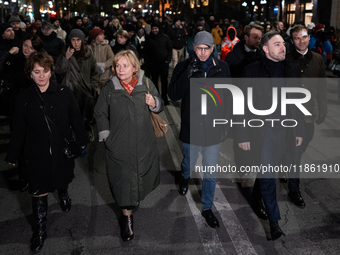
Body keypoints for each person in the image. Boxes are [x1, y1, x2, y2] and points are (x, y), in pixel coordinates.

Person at [4, 52, 87, 253]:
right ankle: (40, 230)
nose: (41, 75)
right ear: (30, 74)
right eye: (36, 72)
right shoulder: (23, 98)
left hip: (61, 150)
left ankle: (63, 193)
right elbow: (18, 129)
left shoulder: (64, 92)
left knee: (62, 178)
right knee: (37, 190)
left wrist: (82, 141)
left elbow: (76, 118)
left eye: (45, 71)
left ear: (51, 72)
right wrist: (13, 154)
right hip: (35, 154)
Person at [234, 31, 304, 240]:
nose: (283, 47)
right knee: (268, 176)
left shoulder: (291, 70)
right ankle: (274, 223)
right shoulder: (251, 72)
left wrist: (298, 130)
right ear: (265, 49)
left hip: (285, 131)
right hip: (261, 133)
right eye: (277, 44)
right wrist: (242, 135)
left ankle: (256, 198)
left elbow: (297, 103)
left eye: (283, 43)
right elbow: (240, 107)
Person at [94, 50, 164, 241]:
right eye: (117, 66)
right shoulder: (110, 88)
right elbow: (100, 112)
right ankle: (127, 219)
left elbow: (160, 104)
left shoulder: (146, 83)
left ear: (134, 67)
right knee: (123, 183)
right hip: (119, 145)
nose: (121, 69)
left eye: (125, 65)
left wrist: (154, 102)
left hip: (143, 143)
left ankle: (132, 204)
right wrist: (106, 136)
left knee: (140, 177)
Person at [168, 31, 232, 228]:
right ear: (193, 48)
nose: (203, 53)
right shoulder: (183, 66)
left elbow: (228, 98)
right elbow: (173, 94)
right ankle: (184, 176)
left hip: (212, 129)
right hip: (191, 126)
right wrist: (188, 74)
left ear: (213, 48)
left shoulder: (222, 68)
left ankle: (207, 208)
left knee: (210, 171)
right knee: (189, 162)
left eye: (206, 49)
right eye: (199, 48)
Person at [285, 24, 327, 206]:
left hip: (309, 113)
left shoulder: (317, 59)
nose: (301, 41)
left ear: (309, 38)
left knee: (301, 147)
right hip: (290, 115)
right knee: (296, 154)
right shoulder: (286, 59)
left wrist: (323, 109)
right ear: (292, 40)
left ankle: (285, 163)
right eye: (297, 38)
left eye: (304, 37)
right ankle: (294, 189)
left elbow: (322, 86)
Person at [55, 29, 99, 142]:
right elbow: (58, 71)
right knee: (70, 116)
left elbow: (94, 73)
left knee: (85, 115)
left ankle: (87, 130)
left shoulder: (89, 55)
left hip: (85, 90)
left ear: (82, 41)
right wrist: (66, 58)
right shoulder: (64, 53)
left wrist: (92, 87)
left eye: (78, 40)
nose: (76, 43)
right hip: (69, 90)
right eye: (73, 40)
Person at [144, 23, 172, 104]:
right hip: (154, 64)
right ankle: (156, 98)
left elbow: (169, 49)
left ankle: (164, 98)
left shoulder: (165, 38)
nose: (155, 30)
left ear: (159, 29)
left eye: (156, 28)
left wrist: (168, 60)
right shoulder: (149, 39)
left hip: (164, 64)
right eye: (153, 29)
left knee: (164, 81)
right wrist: (149, 62)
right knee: (154, 81)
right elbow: (146, 51)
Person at [88, 27, 115, 92]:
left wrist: (104, 65)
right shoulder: (89, 47)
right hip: (93, 78)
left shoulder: (106, 46)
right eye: (101, 34)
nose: (103, 36)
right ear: (96, 37)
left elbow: (112, 58)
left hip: (105, 77)